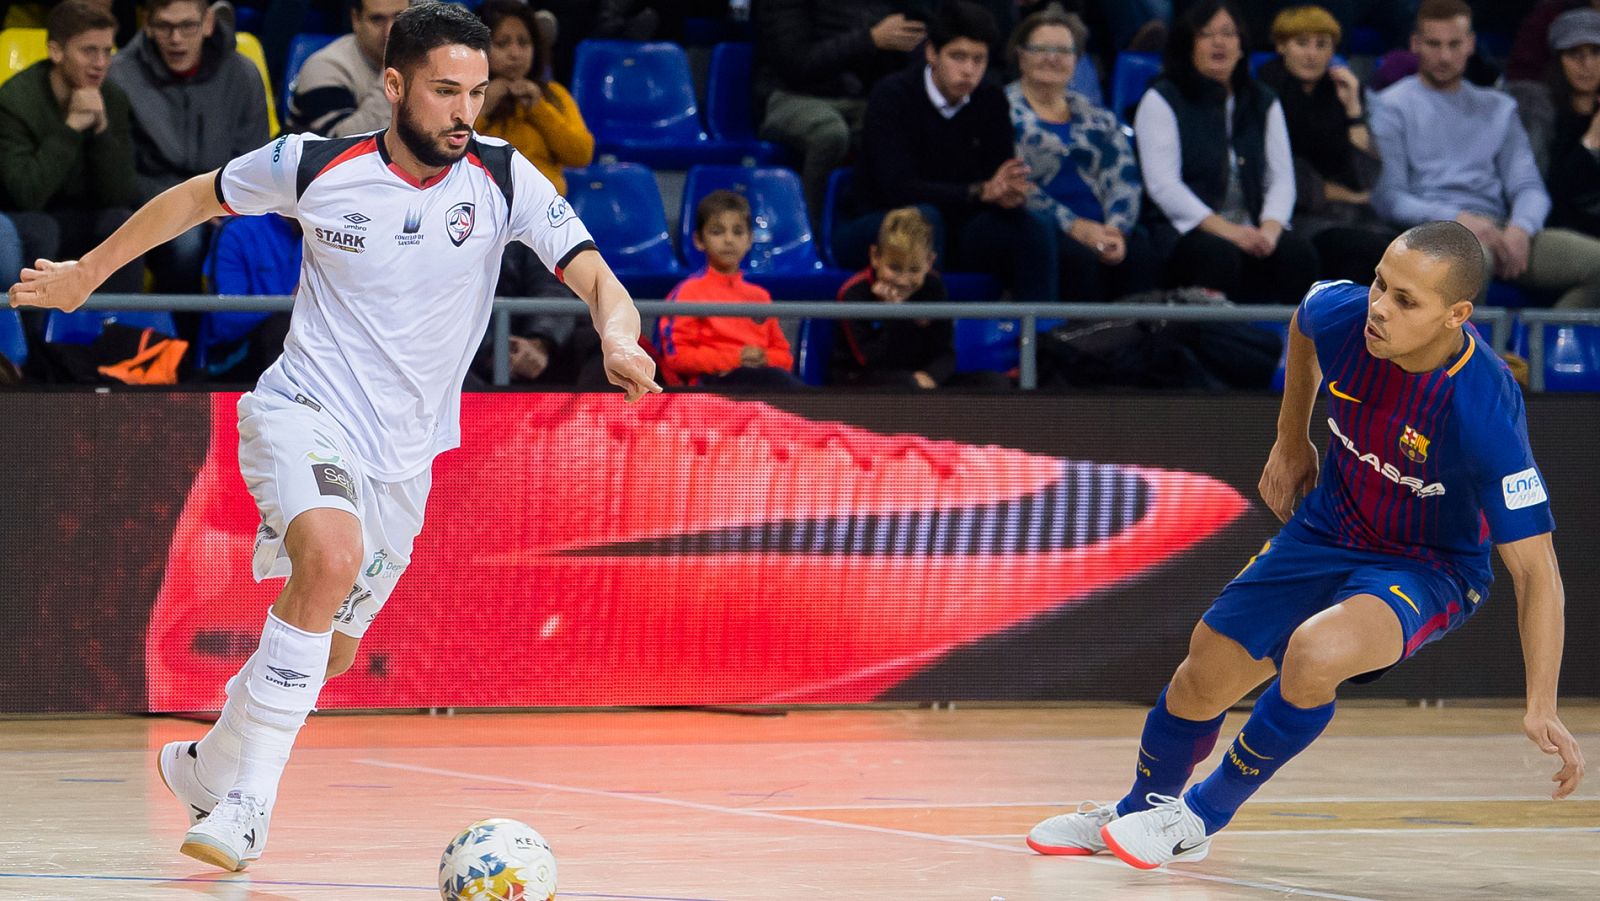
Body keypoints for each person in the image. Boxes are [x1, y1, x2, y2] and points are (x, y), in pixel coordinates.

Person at [8, 0, 659, 871]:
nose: (465, 112)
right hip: (305, 409)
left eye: (475, 92)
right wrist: (88, 275)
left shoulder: (504, 178)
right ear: (394, 86)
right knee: (330, 559)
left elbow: (597, 277)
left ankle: (208, 763)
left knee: (336, 647)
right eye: (444, 92)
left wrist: (617, 335)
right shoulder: (317, 164)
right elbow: (197, 199)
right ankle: (247, 803)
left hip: (408, 454)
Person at [1025, 220, 1586, 868]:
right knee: (1202, 672)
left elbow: (1538, 571)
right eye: (1381, 282)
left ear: (1455, 315)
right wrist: (1292, 437)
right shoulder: (1345, 315)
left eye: (1406, 301)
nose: (1379, 306)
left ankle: (1198, 816)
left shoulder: (1483, 407)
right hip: (1329, 525)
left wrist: (1541, 703)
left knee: (1313, 653)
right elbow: (1303, 320)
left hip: (1429, 566)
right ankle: (1135, 809)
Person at [1371, 0, 1600, 309]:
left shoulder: (1497, 107)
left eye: (1454, 44)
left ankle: (1547, 354)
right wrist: (1460, 220)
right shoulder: (1389, 107)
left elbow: (1529, 187)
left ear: (1470, 44)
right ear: (1415, 44)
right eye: (1434, 44)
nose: (1444, 56)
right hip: (1433, 231)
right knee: (1475, 260)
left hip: (1500, 226)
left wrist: (1521, 228)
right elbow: (1390, 198)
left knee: (1596, 262)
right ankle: (1462, 358)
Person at [833, 0, 1058, 304]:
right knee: (924, 220)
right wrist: (978, 192)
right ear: (931, 54)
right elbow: (898, 188)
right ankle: (928, 339)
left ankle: (1043, 341)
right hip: (878, 222)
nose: (968, 70)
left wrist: (1009, 195)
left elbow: (996, 180)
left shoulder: (990, 99)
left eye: (978, 60)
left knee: (1033, 228)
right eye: (958, 56)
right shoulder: (892, 95)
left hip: (959, 227)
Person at [1133, 0, 1320, 301]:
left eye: (1228, 33)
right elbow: (1163, 185)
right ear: (1188, 44)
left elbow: (1282, 179)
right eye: (1207, 34)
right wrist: (1230, 232)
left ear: (1242, 46)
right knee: (1217, 256)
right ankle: (1218, 346)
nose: (1219, 42)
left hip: (1256, 228)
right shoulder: (1162, 98)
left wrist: (1270, 230)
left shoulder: (1263, 100)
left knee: (1297, 255)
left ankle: (1294, 346)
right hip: (1187, 231)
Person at [108, 0, 270, 292]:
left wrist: (222, 198)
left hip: (229, 199)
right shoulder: (120, 76)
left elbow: (256, 156)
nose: (176, 39)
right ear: (147, 24)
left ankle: (245, 334)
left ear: (208, 22)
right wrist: (195, 202)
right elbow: (122, 176)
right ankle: (182, 334)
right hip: (157, 204)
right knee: (187, 242)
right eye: (164, 26)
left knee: (266, 235)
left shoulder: (243, 73)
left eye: (187, 25)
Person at [0, 0, 144, 311]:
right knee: (42, 230)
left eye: (107, 51)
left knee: (123, 223)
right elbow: (27, 194)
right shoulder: (15, 100)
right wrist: (70, 129)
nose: (101, 63)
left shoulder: (113, 98)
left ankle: (124, 338)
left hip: (85, 215)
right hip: (27, 216)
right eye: (89, 51)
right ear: (56, 51)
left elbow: (119, 194)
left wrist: (102, 131)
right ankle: (37, 349)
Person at [1006, 6, 1155, 302]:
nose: (1052, 58)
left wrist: (1116, 230)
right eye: (1041, 49)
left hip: (1104, 230)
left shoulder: (1098, 118)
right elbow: (1017, 185)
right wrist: (1078, 228)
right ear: (1021, 55)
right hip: (1042, 228)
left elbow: (1124, 178)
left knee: (1142, 253)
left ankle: (1136, 344)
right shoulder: (1001, 111)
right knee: (1078, 258)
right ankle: (1074, 345)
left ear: (1076, 60)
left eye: (1063, 50)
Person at [1255, 4, 1396, 285]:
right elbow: (1290, 179)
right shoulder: (1265, 94)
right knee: (1364, 250)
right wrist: (1349, 196)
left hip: (1354, 217)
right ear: (1282, 46)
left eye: (1322, 45)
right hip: (1298, 219)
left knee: (1400, 251)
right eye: (1302, 43)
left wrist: (1353, 108)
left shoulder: (1338, 95)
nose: (1312, 54)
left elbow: (1366, 177)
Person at [754, 0, 928, 220]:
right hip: (788, 95)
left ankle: (889, 233)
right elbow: (796, 65)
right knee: (830, 133)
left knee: (903, 121)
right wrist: (871, 38)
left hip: (853, 96)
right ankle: (809, 236)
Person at [657, 190, 803, 390]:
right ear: (699, 240)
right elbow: (677, 357)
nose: (728, 240)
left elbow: (784, 356)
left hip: (762, 378)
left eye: (738, 231)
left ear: (749, 239)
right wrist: (735, 359)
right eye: (717, 232)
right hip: (711, 387)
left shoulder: (760, 296)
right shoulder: (688, 292)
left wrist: (764, 357)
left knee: (790, 389)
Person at [475, 0, 592, 196]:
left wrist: (539, 109)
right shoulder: (465, 95)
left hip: (545, 215)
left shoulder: (553, 94)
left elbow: (581, 154)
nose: (515, 53)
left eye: (524, 43)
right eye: (502, 44)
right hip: (482, 210)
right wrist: (484, 108)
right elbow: (446, 157)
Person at [1517, 8, 1600, 237]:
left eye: (1596, 52)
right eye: (1575, 54)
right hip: (1562, 229)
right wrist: (1592, 140)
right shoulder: (1539, 111)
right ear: (1558, 59)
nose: (1587, 64)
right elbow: (1546, 188)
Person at [286, 0, 406, 137]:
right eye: (377, 19)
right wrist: (395, 66)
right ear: (355, 19)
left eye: (399, 17)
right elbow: (341, 142)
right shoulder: (323, 67)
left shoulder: (423, 62)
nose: (390, 31)